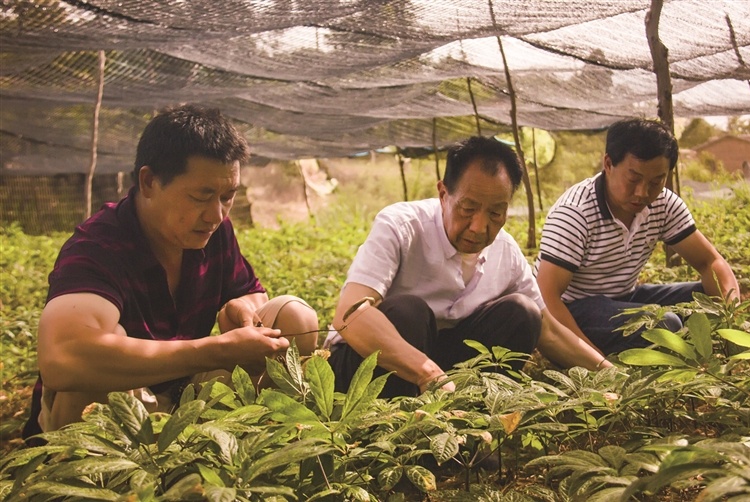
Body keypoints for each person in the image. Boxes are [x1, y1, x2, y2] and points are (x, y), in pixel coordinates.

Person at [23, 104, 318, 438]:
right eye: (201, 196)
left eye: (227, 196)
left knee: (293, 317)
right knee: (92, 376)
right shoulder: (99, 247)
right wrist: (213, 351)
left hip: (185, 395)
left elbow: (248, 291)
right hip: (121, 409)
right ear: (149, 181)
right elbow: (63, 358)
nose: (216, 214)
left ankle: (267, 445)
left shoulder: (212, 229)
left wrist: (243, 307)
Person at [325, 136, 609, 398]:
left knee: (522, 312)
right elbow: (351, 314)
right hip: (365, 367)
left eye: (496, 213)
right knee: (408, 312)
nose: (479, 227)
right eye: (468, 208)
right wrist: (428, 372)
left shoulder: (505, 250)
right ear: (443, 193)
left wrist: (611, 374)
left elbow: (550, 331)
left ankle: (477, 417)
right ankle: (402, 435)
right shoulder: (401, 226)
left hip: (440, 367)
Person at [535, 118, 739, 355]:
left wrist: (730, 317)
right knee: (665, 324)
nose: (643, 193)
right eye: (633, 179)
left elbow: (710, 263)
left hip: (626, 297)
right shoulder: (574, 213)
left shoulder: (663, 204)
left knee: (709, 298)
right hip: (575, 309)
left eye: (656, 182)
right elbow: (547, 298)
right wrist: (595, 363)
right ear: (609, 164)